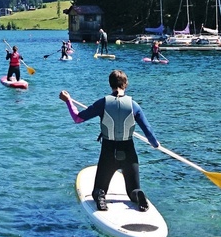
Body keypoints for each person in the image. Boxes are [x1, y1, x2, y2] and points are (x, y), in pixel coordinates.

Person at [59, 69, 159, 212]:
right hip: (129, 152)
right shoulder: (134, 105)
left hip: (108, 152)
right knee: (133, 190)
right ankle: (139, 195)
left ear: (110, 84)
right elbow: (148, 131)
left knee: (98, 190)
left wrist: (68, 101)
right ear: (126, 84)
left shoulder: (103, 103)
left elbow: (77, 118)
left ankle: (100, 197)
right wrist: (155, 144)